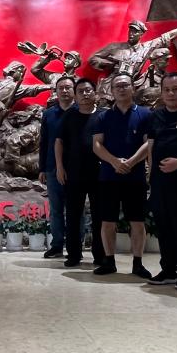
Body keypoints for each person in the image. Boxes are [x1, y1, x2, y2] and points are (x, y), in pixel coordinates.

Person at [91, 73, 153, 278]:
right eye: (117, 86)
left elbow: (149, 143)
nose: (121, 89)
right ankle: (109, 261)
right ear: (112, 91)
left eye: (125, 85)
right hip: (109, 176)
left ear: (133, 88)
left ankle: (138, 263)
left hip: (135, 177)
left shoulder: (145, 114)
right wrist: (115, 162)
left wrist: (131, 162)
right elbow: (97, 145)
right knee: (107, 221)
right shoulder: (103, 117)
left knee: (137, 221)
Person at [145, 72, 177, 290]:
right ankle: (167, 270)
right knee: (163, 226)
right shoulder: (156, 115)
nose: (171, 94)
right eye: (166, 90)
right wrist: (150, 174)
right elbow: (151, 146)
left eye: (175, 89)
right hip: (159, 181)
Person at [55, 78, 106, 268]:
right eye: (81, 91)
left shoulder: (104, 115)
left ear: (95, 93)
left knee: (99, 215)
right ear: (75, 96)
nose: (85, 94)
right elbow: (59, 142)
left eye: (88, 90)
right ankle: (74, 254)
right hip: (74, 172)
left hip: (99, 173)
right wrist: (60, 167)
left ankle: (100, 255)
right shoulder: (69, 116)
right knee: (73, 215)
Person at [38, 75, 76, 258]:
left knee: (75, 210)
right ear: (56, 91)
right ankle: (57, 245)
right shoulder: (49, 114)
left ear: (74, 90)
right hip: (53, 167)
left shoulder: (81, 112)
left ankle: (75, 246)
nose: (65, 91)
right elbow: (44, 142)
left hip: (77, 169)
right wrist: (42, 168)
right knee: (55, 209)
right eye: (61, 88)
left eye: (68, 87)